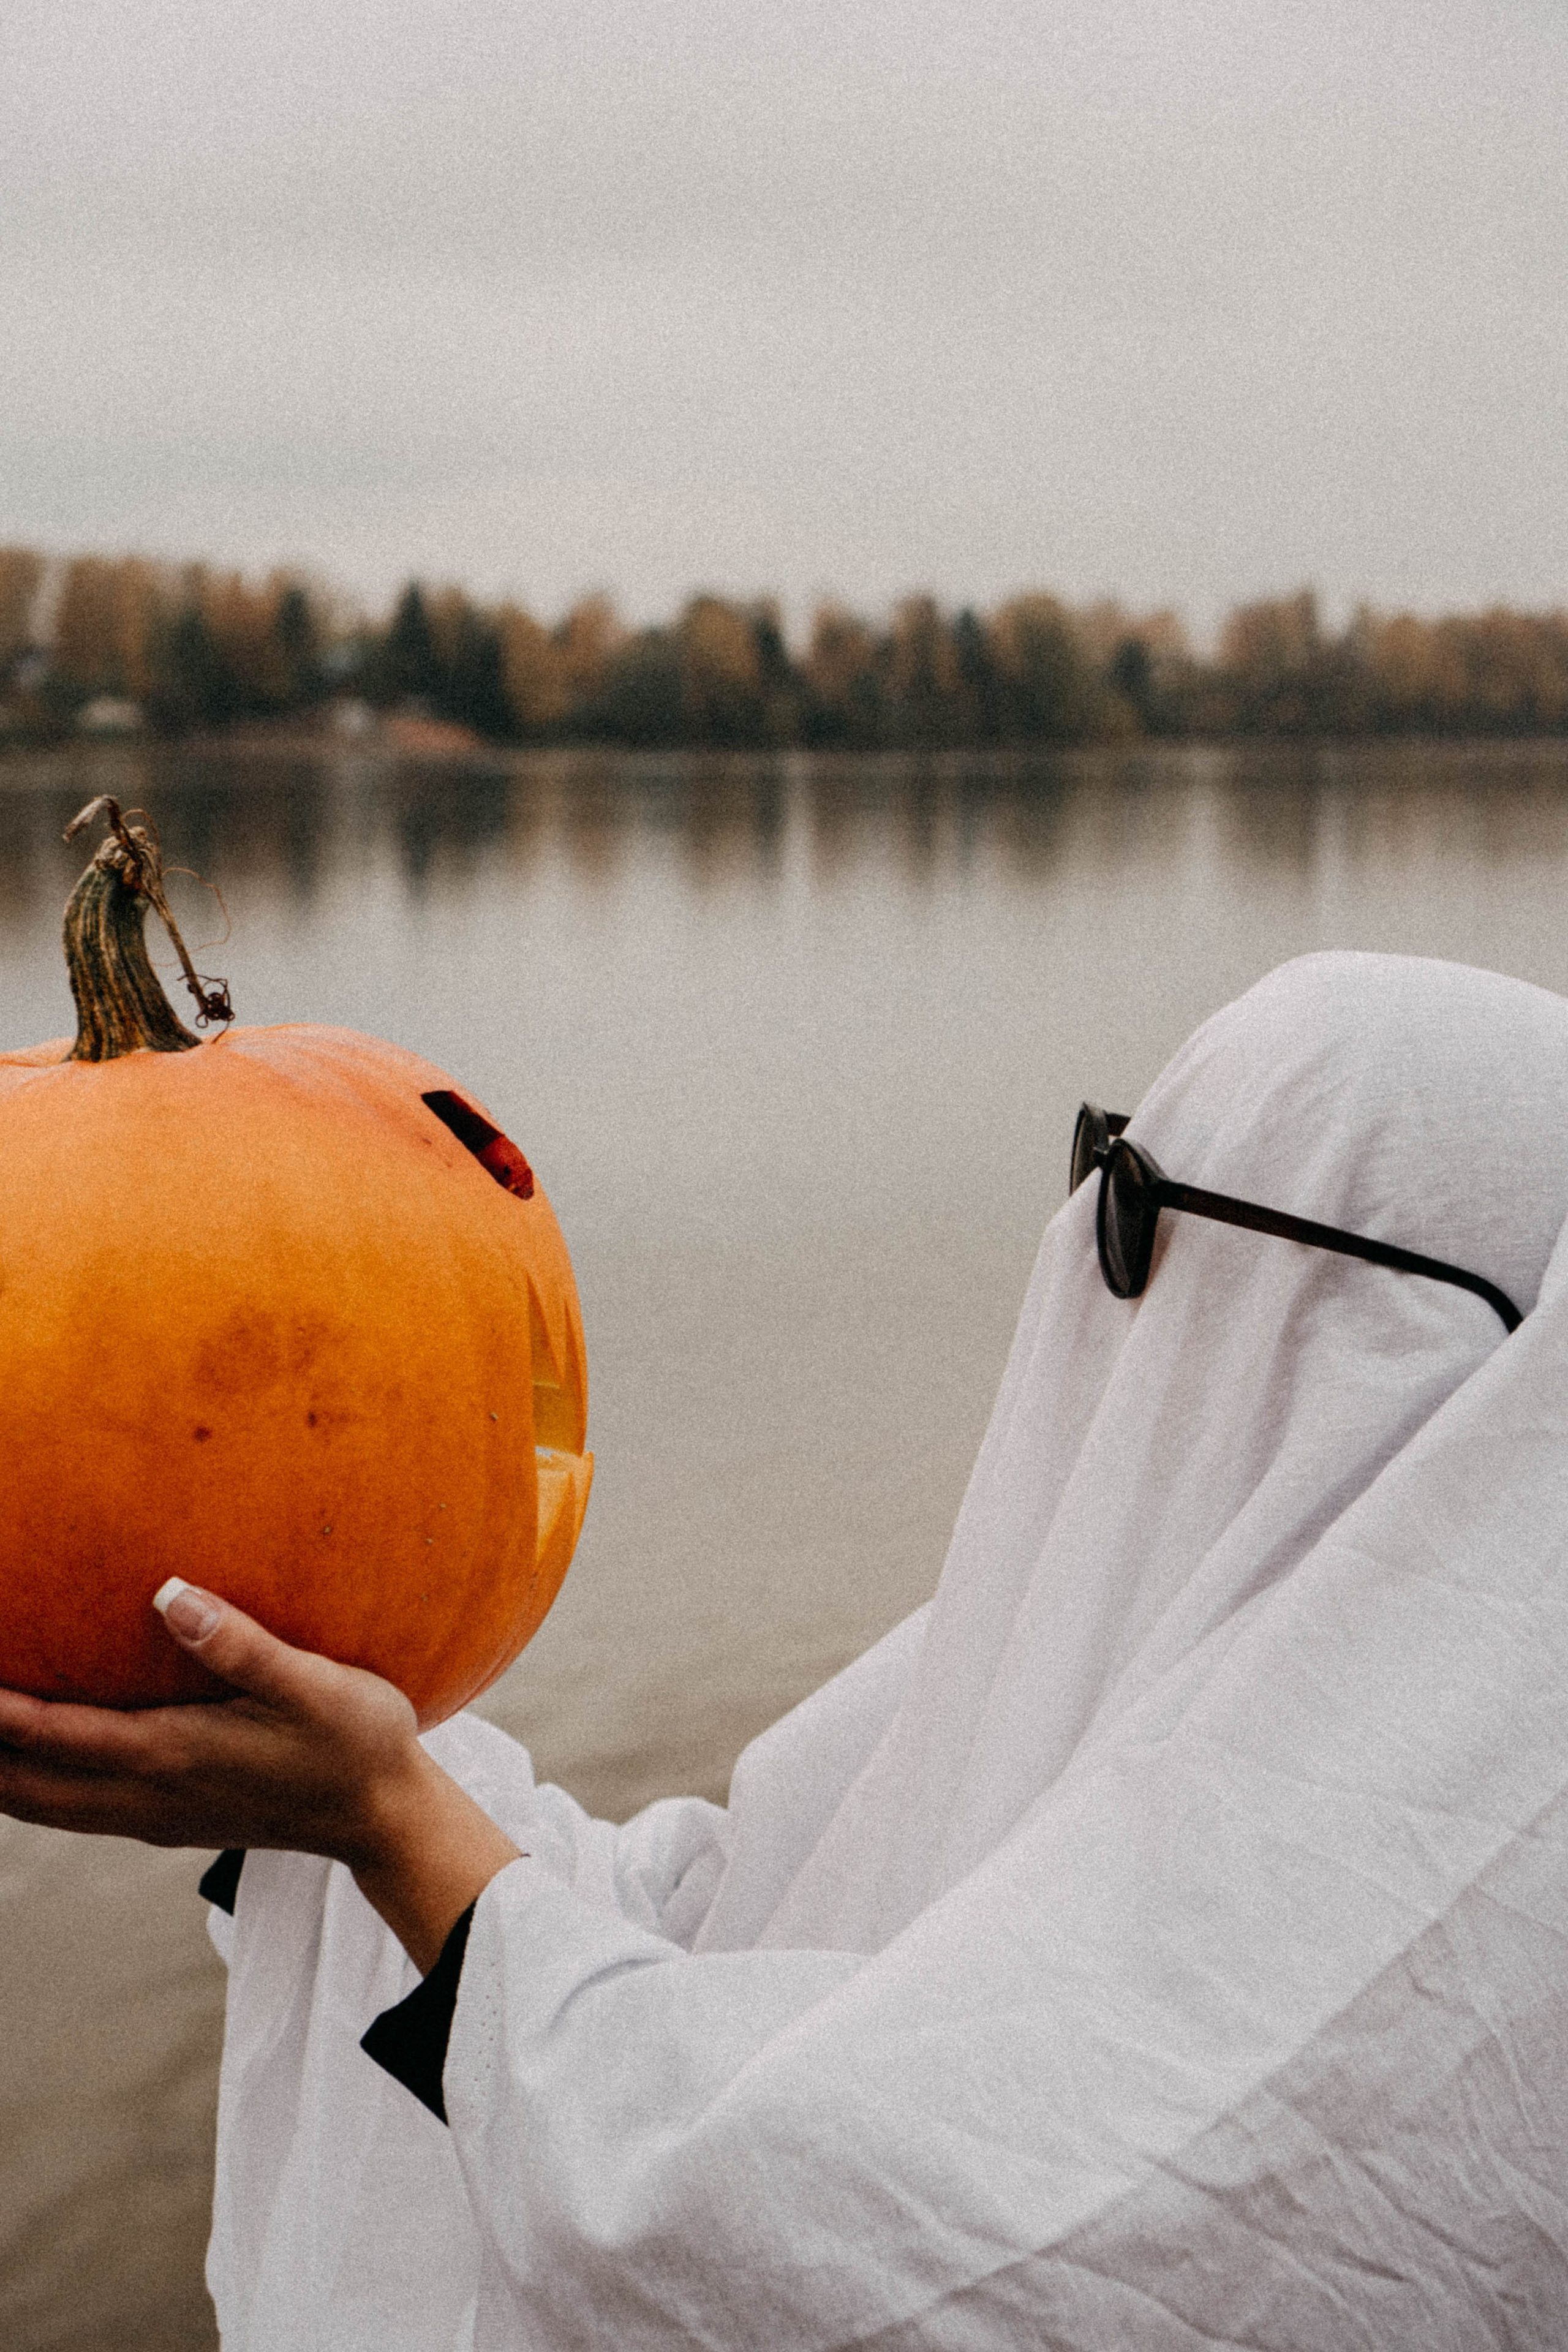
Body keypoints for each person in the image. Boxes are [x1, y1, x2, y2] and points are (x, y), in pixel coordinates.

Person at [5, 948, 1568, 2350]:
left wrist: (387, 1824)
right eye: (1104, 1180)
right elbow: (736, 1930)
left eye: (1142, 1214)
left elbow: (857, 2254)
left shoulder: (1422, 1955)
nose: (1098, 1259)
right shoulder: (1118, 1643)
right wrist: (344, 1777)